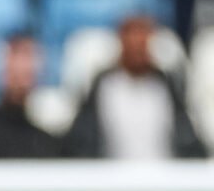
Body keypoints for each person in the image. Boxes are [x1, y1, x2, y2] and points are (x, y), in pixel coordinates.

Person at [62, 14, 208, 159]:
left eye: (142, 41)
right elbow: (82, 139)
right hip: (109, 175)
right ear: (121, 42)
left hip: (164, 174)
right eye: (132, 40)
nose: (137, 48)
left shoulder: (166, 85)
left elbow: (186, 136)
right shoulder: (103, 86)